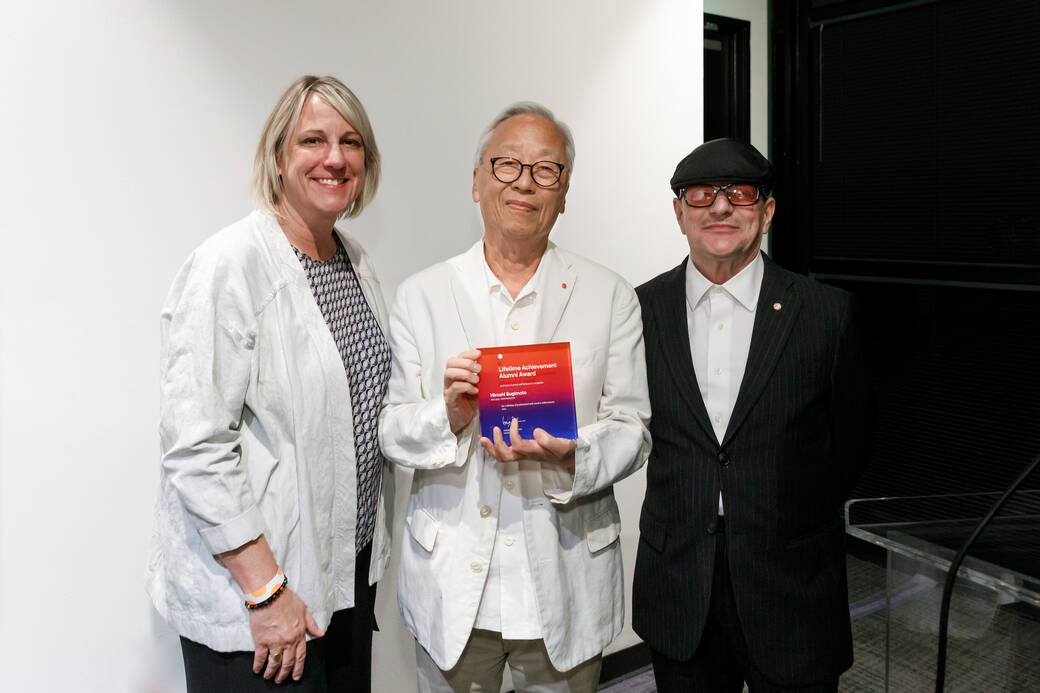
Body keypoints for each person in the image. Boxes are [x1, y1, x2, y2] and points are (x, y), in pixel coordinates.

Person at [379, 102, 651, 693]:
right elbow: (392, 429)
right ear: (476, 182)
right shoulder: (422, 295)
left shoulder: (610, 295)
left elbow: (633, 426)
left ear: (564, 192)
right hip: (455, 588)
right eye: (506, 165)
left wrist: (573, 453)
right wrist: (448, 416)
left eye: (545, 170)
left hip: (565, 575)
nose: (524, 181)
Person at [148, 75, 393, 692]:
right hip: (264, 602)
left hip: (344, 582)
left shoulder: (353, 262)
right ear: (279, 157)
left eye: (351, 142)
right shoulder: (230, 264)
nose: (335, 158)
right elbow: (196, 446)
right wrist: (266, 590)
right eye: (313, 139)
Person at [632, 138, 873, 692]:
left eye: (740, 193)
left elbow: (853, 443)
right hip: (679, 585)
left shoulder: (827, 313)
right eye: (701, 195)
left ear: (766, 211)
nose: (720, 207)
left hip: (792, 586)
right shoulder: (639, 310)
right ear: (679, 213)